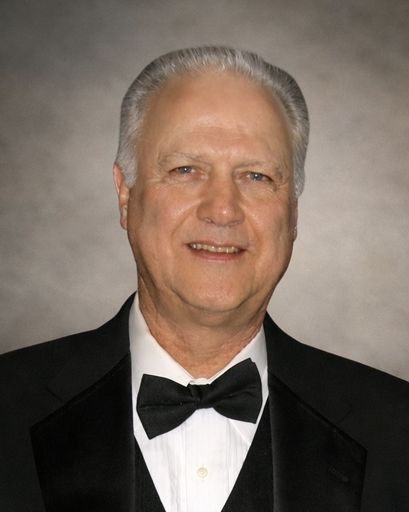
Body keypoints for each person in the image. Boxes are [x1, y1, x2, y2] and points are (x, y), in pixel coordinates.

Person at [0, 47, 408, 512]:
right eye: (186, 170)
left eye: (256, 176)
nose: (223, 209)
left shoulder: (396, 429)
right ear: (125, 195)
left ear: (293, 212)